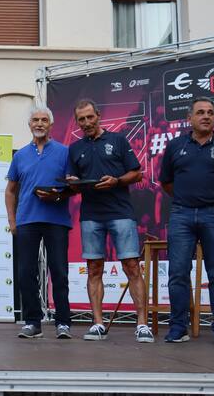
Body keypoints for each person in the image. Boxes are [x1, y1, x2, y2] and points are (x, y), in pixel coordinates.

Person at [68, 99, 153, 343]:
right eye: (81, 119)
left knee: (132, 266)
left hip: (120, 212)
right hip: (91, 215)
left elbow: (136, 173)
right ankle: (97, 323)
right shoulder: (75, 148)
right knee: (94, 269)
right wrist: (72, 183)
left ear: (98, 115)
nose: (86, 122)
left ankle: (142, 324)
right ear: (77, 122)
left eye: (90, 117)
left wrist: (117, 181)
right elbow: (73, 181)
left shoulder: (118, 140)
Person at [159, 97, 214, 344]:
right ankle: (178, 329)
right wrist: (188, 198)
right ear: (189, 118)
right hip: (182, 214)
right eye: (200, 112)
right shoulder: (175, 145)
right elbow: (166, 182)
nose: (206, 116)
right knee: (178, 273)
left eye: (210, 112)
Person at [5, 106, 73, 339]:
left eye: (44, 120)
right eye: (35, 120)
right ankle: (32, 322)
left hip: (57, 220)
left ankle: (63, 322)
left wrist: (58, 195)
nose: (40, 124)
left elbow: (72, 186)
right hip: (27, 220)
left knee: (59, 272)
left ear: (51, 125)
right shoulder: (20, 155)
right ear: (29, 124)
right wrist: (12, 220)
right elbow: (10, 191)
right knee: (26, 272)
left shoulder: (65, 152)